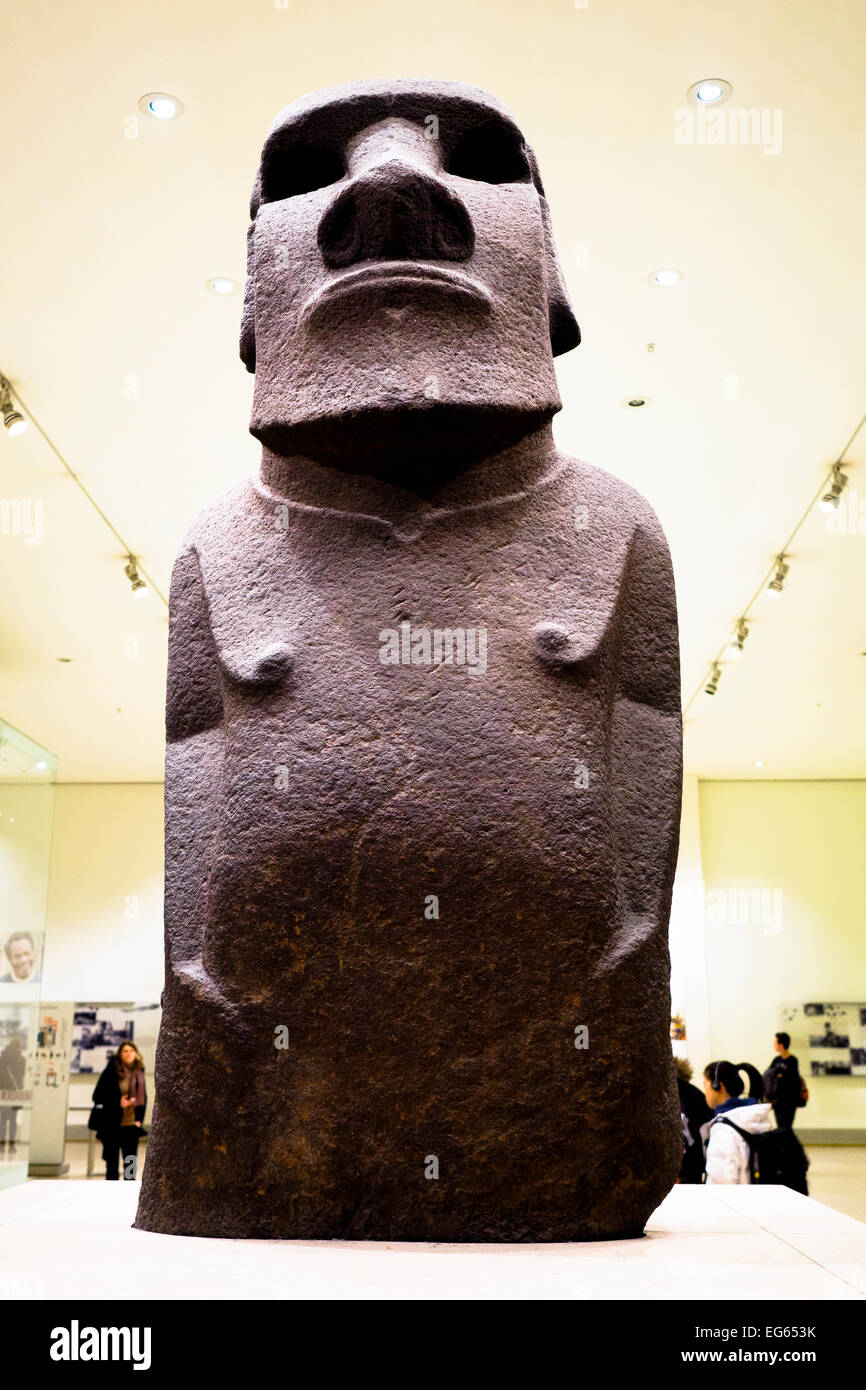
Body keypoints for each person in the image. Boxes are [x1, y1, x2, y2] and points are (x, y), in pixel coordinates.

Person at [702, 1060, 773, 1184]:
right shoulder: (754, 1116)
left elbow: (720, 1183)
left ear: (718, 1086)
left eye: (705, 1085)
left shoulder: (723, 1131)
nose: (705, 1093)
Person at [92, 1042, 147, 1180]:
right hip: (112, 1123)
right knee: (112, 1164)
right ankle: (111, 1193)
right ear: (120, 1055)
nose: (129, 1054)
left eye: (131, 1051)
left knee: (130, 1163)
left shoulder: (139, 1071)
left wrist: (139, 1120)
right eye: (125, 1051)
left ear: (136, 1053)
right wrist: (118, 1102)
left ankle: (128, 1192)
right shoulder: (111, 1071)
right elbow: (97, 1095)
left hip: (131, 1124)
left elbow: (143, 1097)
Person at [675, 1057, 713, 1184]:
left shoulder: (678, 1097)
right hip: (698, 1163)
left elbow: (684, 1137)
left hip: (686, 1166)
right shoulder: (696, 1094)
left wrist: (679, 1172)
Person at [763, 1032, 803, 1130]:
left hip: (789, 1100)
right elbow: (768, 1074)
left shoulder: (793, 1060)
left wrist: (780, 1076)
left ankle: (789, 1145)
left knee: (786, 1126)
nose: (774, 1045)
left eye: (775, 1042)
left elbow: (792, 1079)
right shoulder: (776, 1060)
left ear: (781, 1045)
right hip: (777, 1099)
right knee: (780, 1125)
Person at [0, 1033, 27, 1152]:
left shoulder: (2, 1059)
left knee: (2, 1120)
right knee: (13, 1120)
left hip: (2, 1092)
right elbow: (21, 1075)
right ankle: (11, 1145)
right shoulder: (22, 1060)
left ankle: (1, 1145)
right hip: (15, 1093)